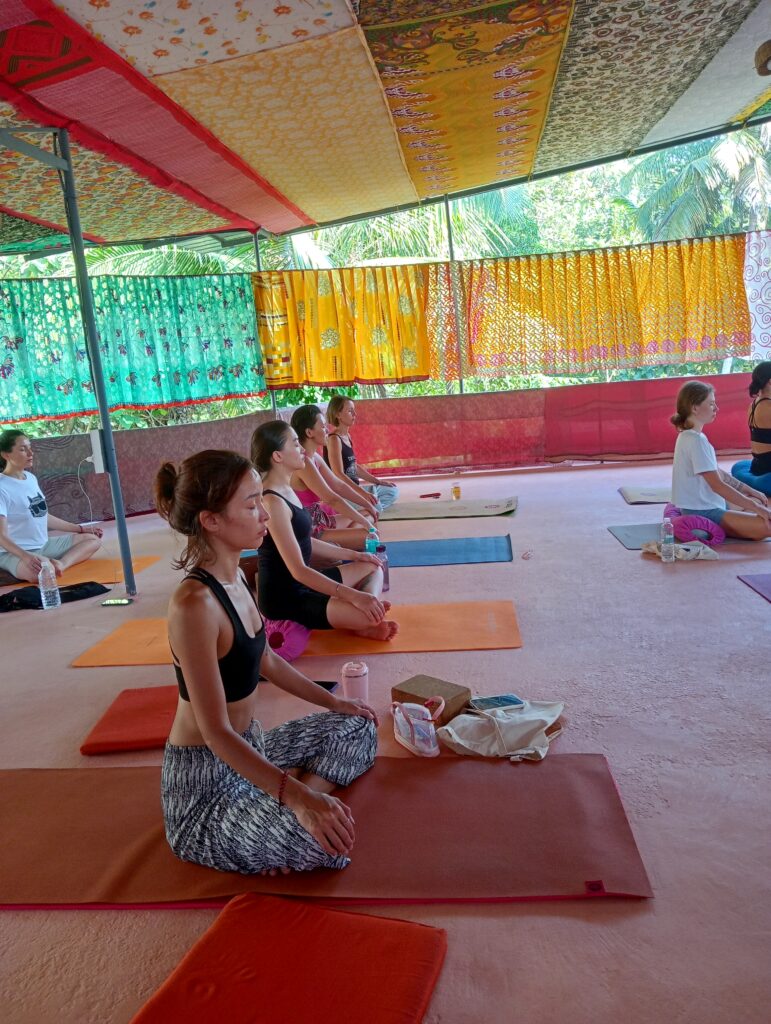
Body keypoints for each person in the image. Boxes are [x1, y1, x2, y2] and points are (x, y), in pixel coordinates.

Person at [154, 448, 378, 876]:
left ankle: (283, 808)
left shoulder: (237, 575)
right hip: (205, 789)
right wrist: (297, 798)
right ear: (211, 520)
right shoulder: (193, 605)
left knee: (360, 726)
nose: (264, 514)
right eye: (251, 504)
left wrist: (336, 704)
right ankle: (287, 814)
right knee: (324, 849)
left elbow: (268, 661)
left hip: (252, 748)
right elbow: (216, 734)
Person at [251, 421, 398, 641]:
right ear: (278, 456)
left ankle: (362, 613)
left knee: (372, 566)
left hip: (305, 582)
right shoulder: (272, 501)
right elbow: (299, 571)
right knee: (366, 614)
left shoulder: (285, 489)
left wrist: (355, 555)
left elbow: (306, 542)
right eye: (295, 444)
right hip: (286, 596)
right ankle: (362, 619)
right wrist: (352, 596)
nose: (302, 449)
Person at [670, 381, 770, 541]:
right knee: (766, 524)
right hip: (704, 511)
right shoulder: (696, 441)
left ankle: (742, 517)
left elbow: (718, 473)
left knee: (757, 500)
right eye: (711, 404)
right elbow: (717, 485)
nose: (716, 408)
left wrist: (750, 490)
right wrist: (757, 508)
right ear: (694, 408)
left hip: (710, 504)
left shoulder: (689, 435)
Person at [0, 429, 103, 581]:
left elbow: (43, 516)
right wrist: (26, 557)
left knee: (93, 540)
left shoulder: (30, 478)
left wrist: (80, 529)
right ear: (6, 455)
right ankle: (45, 564)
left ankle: (61, 564)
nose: (30, 453)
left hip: (44, 545)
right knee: (44, 573)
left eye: (30, 447)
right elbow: (1, 537)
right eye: (23, 449)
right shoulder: (2, 487)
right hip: (13, 552)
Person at [289, 404, 375, 549]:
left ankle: (342, 543)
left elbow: (338, 485)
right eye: (323, 427)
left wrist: (367, 504)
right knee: (368, 534)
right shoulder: (304, 463)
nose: (327, 430)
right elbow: (331, 498)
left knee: (369, 514)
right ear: (309, 432)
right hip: (311, 530)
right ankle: (341, 544)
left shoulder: (315, 457)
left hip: (321, 519)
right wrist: (364, 523)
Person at [325, 395, 399, 513]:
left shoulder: (347, 436)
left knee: (392, 490)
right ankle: (368, 509)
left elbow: (353, 466)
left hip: (355, 489)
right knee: (375, 504)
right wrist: (363, 493)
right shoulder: (334, 439)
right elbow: (338, 474)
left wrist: (378, 481)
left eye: (354, 410)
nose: (355, 414)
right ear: (338, 414)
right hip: (343, 493)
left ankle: (368, 509)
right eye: (350, 411)